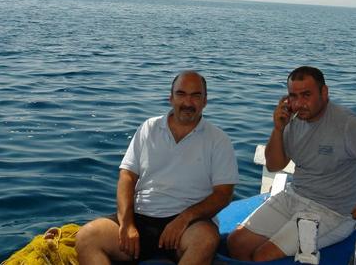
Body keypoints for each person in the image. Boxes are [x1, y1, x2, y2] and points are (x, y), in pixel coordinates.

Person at [227, 66, 356, 261]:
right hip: (294, 195)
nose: (299, 104)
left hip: (332, 211)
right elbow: (274, 165)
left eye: (306, 95)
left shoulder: (348, 124)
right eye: (293, 96)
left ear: (324, 92)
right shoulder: (294, 120)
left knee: (263, 256)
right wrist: (279, 129)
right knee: (236, 243)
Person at [76, 71, 239, 265]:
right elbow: (127, 176)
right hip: (141, 219)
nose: (188, 102)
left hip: (188, 225)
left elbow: (223, 194)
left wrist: (184, 219)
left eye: (196, 95)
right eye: (181, 94)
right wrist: (127, 224)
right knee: (86, 237)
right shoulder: (148, 128)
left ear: (205, 101)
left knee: (205, 240)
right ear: (170, 98)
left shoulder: (218, 140)